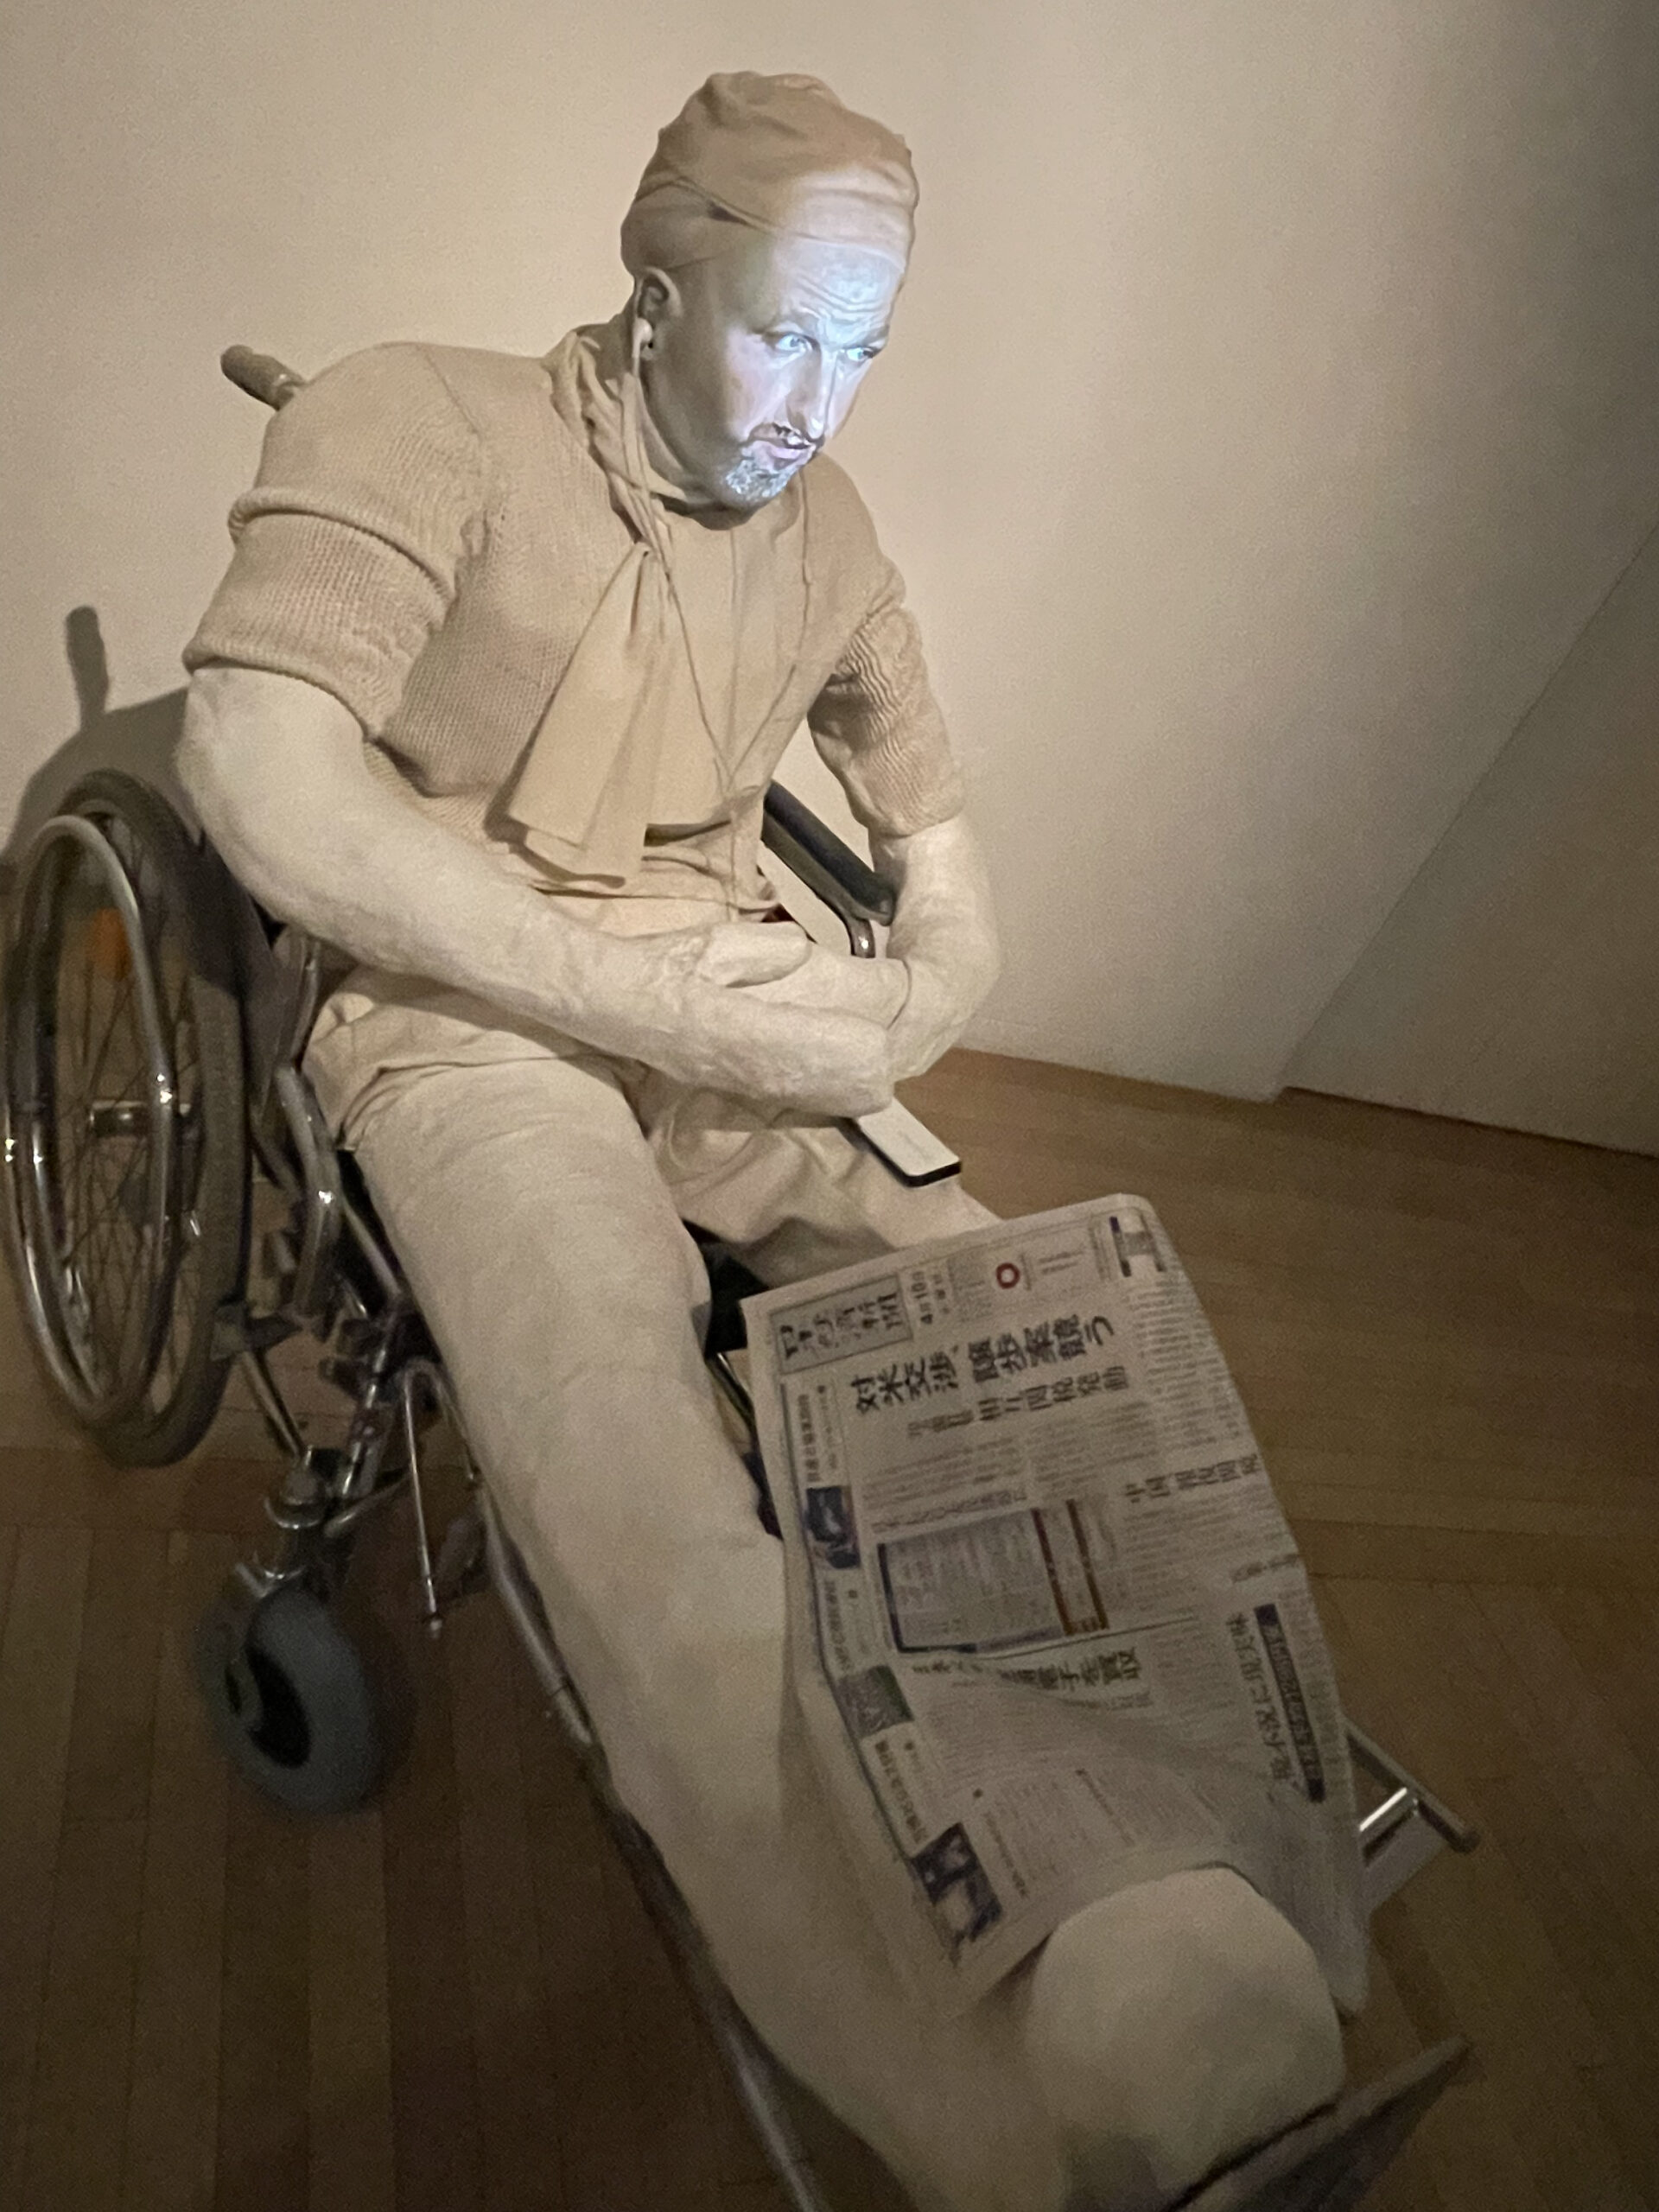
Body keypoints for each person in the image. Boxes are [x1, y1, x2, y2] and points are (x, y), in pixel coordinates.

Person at [177, 72, 1344, 2212]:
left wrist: (913, 1003)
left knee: (1023, 1333)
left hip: (723, 990)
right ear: (659, 289)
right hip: (460, 1020)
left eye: (865, 347)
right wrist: (630, 994)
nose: (822, 398)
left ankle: (1150, 1905)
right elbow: (260, 769)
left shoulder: (831, 537)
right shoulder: (415, 420)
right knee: (636, 1491)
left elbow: (942, 850)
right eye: (787, 330)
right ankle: (974, 2095)